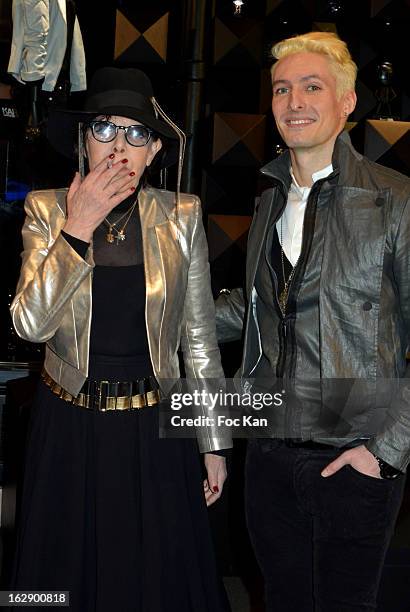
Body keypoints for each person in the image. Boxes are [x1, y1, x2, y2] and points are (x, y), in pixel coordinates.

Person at [10, 66, 231, 612]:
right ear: (84, 140)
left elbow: (198, 337)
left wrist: (214, 442)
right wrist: (77, 229)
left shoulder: (181, 216)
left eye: (137, 134)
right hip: (68, 426)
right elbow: (29, 325)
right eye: (105, 129)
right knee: (59, 580)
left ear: (154, 150)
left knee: (157, 581)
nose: (120, 147)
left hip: (155, 429)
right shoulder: (45, 208)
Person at [216, 32, 409, 611]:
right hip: (270, 450)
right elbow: (255, 309)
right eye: (281, 89)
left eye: (311, 86)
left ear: (347, 103)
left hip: (354, 453)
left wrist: (386, 450)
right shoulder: (270, 198)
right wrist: (150, 309)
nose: (294, 101)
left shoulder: (394, 199)